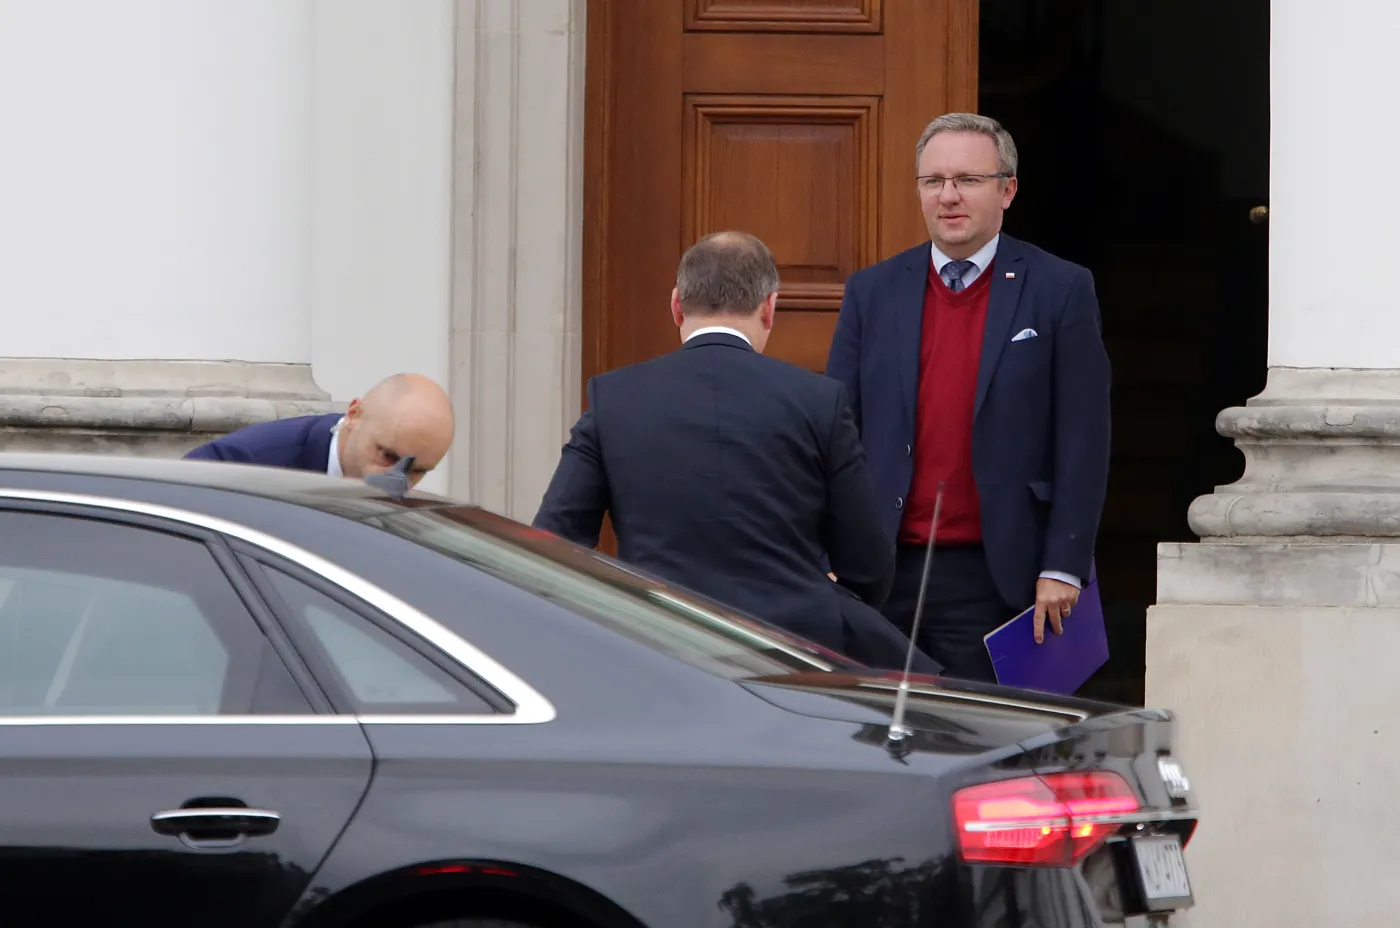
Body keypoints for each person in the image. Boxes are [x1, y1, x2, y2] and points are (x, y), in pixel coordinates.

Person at [533, 232, 939, 673]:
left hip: (659, 648)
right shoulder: (818, 400)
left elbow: (555, 542)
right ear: (769, 307)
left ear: (676, 305)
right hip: (797, 657)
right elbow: (868, 564)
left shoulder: (615, 397)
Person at [825, 112, 1111, 682]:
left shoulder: (1061, 289)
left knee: (979, 744)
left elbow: (1083, 437)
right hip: (880, 573)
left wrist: (1064, 564)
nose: (948, 197)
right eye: (933, 182)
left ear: (1007, 190)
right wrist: (829, 554)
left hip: (996, 575)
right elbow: (837, 431)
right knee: (873, 738)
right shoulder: (872, 290)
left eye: (967, 181)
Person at [183, 372, 454, 489]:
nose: (397, 481)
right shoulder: (236, 464)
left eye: (416, 471)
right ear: (354, 415)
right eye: (386, 456)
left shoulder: (412, 516)